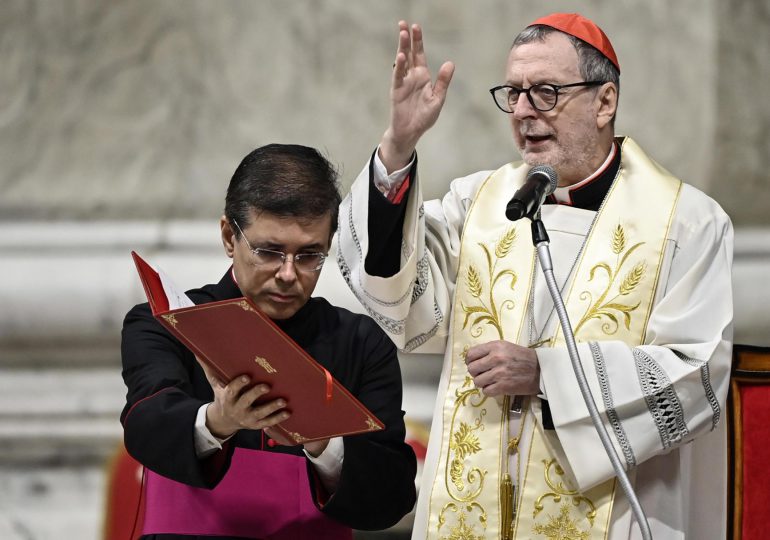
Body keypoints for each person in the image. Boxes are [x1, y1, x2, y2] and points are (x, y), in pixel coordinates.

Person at [337, 12, 733, 540]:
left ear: (605, 102)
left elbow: (698, 375)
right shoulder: (480, 203)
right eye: (514, 93)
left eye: (545, 91)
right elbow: (398, 298)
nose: (523, 111)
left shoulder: (686, 222)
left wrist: (549, 374)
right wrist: (398, 146)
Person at [121, 143, 417, 539]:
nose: (288, 274)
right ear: (230, 237)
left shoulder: (360, 343)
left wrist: (324, 445)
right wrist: (219, 421)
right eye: (270, 252)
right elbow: (144, 425)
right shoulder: (167, 322)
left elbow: (393, 495)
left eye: (310, 255)